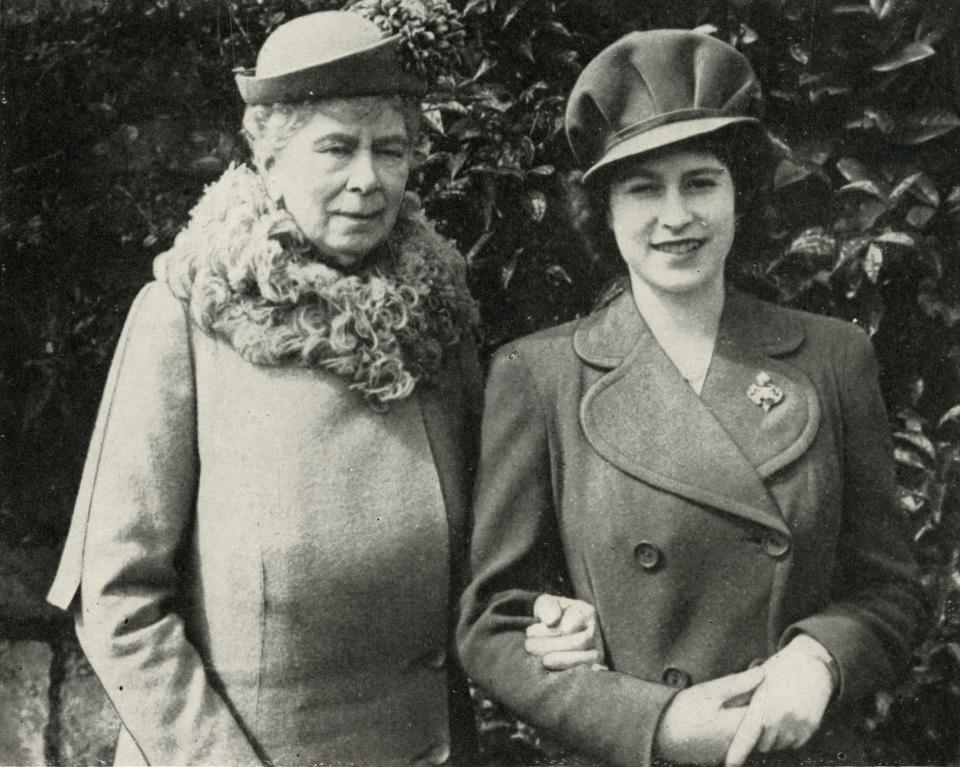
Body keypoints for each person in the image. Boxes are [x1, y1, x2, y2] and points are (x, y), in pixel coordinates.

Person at [46, 12, 585, 766]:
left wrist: (546, 618)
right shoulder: (186, 315)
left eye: (389, 149)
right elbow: (118, 602)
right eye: (336, 146)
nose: (368, 177)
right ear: (268, 156)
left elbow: (485, 562)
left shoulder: (437, 317)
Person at [457, 29, 927, 767]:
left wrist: (821, 660)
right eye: (643, 189)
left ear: (739, 194)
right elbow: (493, 622)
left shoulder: (833, 356)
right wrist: (655, 721)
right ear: (605, 213)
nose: (676, 217)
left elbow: (891, 590)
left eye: (701, 181)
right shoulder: (539, 374)